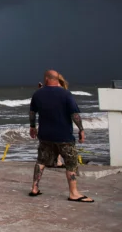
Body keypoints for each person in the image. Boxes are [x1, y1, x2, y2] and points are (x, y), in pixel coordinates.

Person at [29, 69, 93, 202]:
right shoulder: (66, 94)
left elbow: (32, 113)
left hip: (45, 136)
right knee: (71, 163)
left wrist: (33, 127)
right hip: (64, 136)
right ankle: (73, 193)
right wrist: (81, 129)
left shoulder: (37, 94)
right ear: (57, 79)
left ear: (46, 79)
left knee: (41, 161)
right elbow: (74, 115)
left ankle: (34, 188)